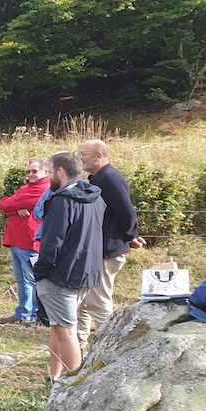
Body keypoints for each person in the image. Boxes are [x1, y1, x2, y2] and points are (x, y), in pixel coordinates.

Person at [34, 152, 105, 380]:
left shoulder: (62, 201)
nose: (47, 177)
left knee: (66, 332)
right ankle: (55, 378)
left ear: (61, 172)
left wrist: (40, 270)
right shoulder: (96, 197)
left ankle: (77, 388)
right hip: (86, 272)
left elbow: (52, 241)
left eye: (49, 171)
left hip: (61, 275)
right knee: (59, 327)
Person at [77, 140, 143, 348]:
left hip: (105, 252)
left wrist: (129, 234)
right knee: (83, 304)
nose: (81, 158)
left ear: (98, 155)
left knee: (98, 302)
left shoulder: (110, 179)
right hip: (97, 250)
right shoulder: (100, 178)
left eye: (84, 154)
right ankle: (79, 351)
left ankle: (110, 349)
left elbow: (127, 212)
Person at [0, 160, 50, 325]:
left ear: (45, 171)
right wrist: (14, 210)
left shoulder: (43, 188)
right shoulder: (25, 188)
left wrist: (12, 207)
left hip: (29, 241)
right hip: (17, 240)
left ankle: (30, 314)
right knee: (21, 280)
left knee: (29, 280)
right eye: (28, 171)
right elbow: (3, 204)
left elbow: (10, 203)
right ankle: (23, 312)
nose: (30, 175)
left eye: (34, 171)